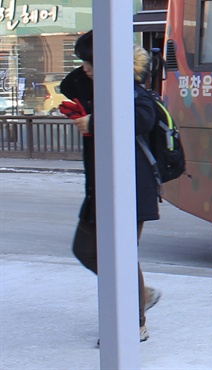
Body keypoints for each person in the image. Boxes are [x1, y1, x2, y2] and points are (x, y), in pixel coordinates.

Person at [60, 32, 162, 343]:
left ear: (108, 64)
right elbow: (69, 84)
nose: (85, 69)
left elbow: (142, 120)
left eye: (90, 63)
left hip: (130, 190)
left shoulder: (133, 93)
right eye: (84, 63)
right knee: (86, 249)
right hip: (99, 189)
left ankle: (134, 324)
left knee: (120, 257)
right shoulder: (96, 87)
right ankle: (140, 293)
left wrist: (95, 122)